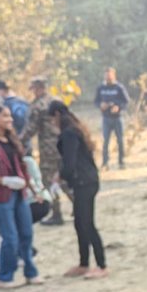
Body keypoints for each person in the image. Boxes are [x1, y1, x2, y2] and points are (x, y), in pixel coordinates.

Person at [0, 105, 41, 289]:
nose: (10, 119)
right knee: (10, 237)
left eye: (10, 116)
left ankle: (30, 272)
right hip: (1, 196)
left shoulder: (12, 141)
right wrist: (3, 180)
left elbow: (22, 166)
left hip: (20, 193)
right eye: (5, 116)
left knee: (26, 234)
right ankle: (5, 276)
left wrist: (33, 189)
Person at [47, 100, 108, 280]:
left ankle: (102, 265)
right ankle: (83, 263)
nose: (52, 123)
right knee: (80, 223)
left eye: (52, 119)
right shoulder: (75, 129)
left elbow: (70, 162)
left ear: (57, 115)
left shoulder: (69, 134)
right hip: (87, 180)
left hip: (84, 182)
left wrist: (60, 176)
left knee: (87, 224)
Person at [19, 77, 67, 227]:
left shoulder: (38, 105)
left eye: (33, 88)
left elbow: (30, 129)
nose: (33, 92)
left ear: (38, 88)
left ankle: (57, 213)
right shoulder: (56, 100)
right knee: (63, 177)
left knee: (47, 179)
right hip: (63, 145)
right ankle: (78, 206)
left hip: (48, 148)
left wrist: (17, 143)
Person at [94, 67, 130, 170]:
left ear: (114, 76)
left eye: (110, 76)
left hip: (117, 118)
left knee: (120, 140)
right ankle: (105, 163)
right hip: (106, 118)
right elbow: (96, 101)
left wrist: (118, 107)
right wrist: (100, 105)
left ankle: (121, 162)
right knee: (106, 141)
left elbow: (126, 101)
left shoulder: (119, 87)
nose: (108, 78)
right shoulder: (101, 88)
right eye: (106, 76)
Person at [0, 81, 30, 145]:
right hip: (26, 134)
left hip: (12, 135)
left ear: (1, 90)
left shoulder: (4, 105)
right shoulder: (23, 101)